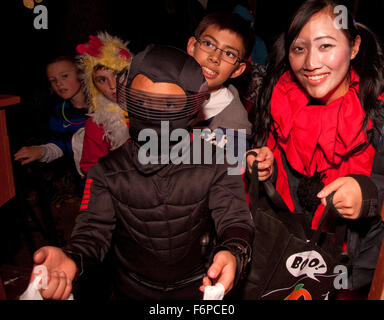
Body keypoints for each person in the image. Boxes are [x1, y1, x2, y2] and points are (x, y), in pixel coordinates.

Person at [28, 44, 254, 300]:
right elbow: (92, 232)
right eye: (142, 102)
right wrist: (72, 259)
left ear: (193, 106)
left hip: (200, 286)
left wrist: (233, 253)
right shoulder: (106, 172)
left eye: (168, 105)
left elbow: (235, 219)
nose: (152, 114)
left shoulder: (217, 162)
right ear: (127, 98)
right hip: (131, 289)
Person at [247, 0, 384, 298]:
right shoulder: (278, 98)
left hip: (349, 272)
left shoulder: (376, 114)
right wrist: (265, 166)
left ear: (355, 46)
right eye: (299, 48)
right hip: (282, 258)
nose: (310, 62)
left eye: (325, 46)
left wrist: (367, 193)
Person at [186, 11, 254, 151]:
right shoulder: (160, 84)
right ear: (192, 46)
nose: (215, 57)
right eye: (209, 44)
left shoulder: (234, 130)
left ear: (237, 70)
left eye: (229, 54)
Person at [14, 56, 88, 170]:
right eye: (53, 80)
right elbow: (58, 146)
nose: (59, 83)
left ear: (82, 74)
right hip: (88, 182)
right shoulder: (59, 112)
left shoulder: (103, 107)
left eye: (64, 76)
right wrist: (41, 151)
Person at [76, 32, 132, 176]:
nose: (113, 86)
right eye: (102, 80)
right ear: (94, 87)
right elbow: (92, 169)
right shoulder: (97, 124)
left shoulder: (156, 103)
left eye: (117, 74)